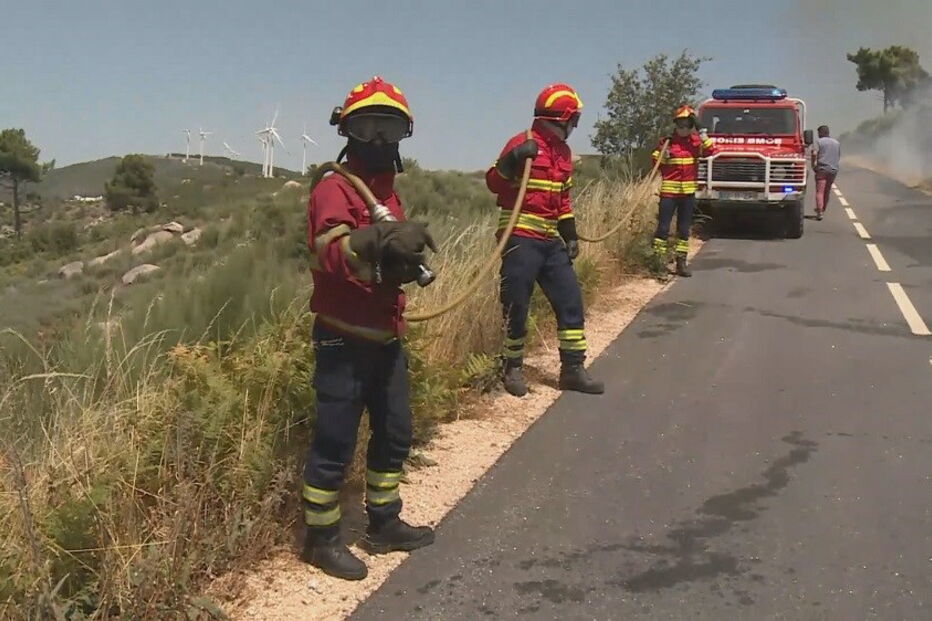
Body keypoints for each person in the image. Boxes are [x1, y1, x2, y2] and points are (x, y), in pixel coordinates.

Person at [301, 76, 436, 581]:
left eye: (389, 127)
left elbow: (379, 264)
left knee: (395, 432)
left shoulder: (387, 193)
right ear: (347, 129)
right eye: (368, 126)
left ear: (404, 135)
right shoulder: (334, 187)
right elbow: (331, 253)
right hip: (343, 339)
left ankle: (384, 522)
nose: (378, 139)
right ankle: (320, 539)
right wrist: (379, 242)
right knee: (335, 442)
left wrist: (398, 262)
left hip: (386, 336)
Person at [486, 83, 604, 398]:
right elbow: (494, 184)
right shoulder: (521, 142)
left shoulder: (563, 153)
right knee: (517, 304)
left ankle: (573, 370)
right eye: (574, 120)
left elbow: (563, 200)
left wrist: (570, 234)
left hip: (551, 240)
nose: (575, 127)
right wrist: (511, 160)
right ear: (562, 118)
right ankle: (512, 367)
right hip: (520, 238)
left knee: (571, 302)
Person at [650, 105, 717, 278]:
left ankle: (681, 263)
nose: (684, 129)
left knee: (683, 230)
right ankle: (659, 265)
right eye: (681, 124)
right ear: (676, 124)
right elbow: (655, 161)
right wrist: (664, 156)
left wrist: (702, 132)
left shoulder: (695, 142)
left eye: (688, 125)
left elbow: (710, 151)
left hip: (687, 195)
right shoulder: (667, 142)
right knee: (663, 230)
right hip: (669, 195)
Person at [811, 125, 841, 220]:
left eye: (819, 133)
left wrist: (813, 165)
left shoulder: (819, 142)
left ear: (822, 133)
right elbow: (838, 155)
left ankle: (819, 212)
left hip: (822, 169)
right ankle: (823, 209)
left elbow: (814, 153)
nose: (818, 135)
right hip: (833, 170)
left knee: (820, 191)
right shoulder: (836, 143)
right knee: (827, 191)